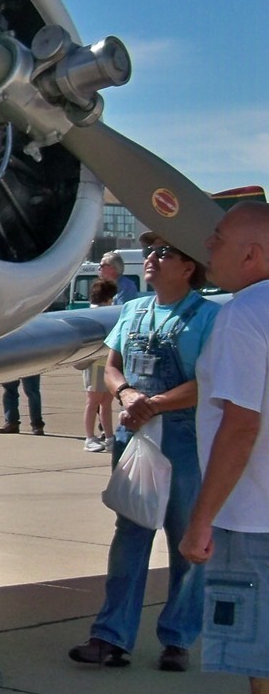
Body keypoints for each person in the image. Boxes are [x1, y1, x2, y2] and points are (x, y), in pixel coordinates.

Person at [70, 240, 218, 669]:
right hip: (134, 433)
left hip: (182, 438)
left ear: (189, 267)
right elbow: (110, 364)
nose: (151, 259)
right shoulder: (132, 312)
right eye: (151, 252)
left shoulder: (210, 318)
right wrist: (127, 393)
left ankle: (178, 639)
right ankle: (110, 636)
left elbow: (208, 380)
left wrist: (154, 403)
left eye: (165, 254)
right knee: (130, 533)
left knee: (186, 539)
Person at [180, 201, 269, 694]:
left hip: (255, 522)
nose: (205, 246)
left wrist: (200, 519)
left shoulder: (243, 315)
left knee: (264, 678)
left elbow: (240, 426)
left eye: (217, 239)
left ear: (252, 254)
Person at [82, 277, 120, 452]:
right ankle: (89, 437)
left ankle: (110, 437)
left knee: (106, 402)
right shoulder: (95, 312)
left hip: (106, 363)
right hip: (95, 363)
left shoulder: (108, 311)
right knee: (94, 401)